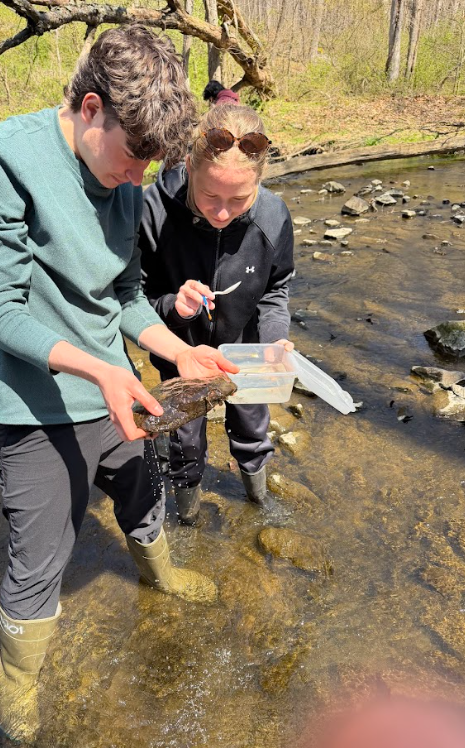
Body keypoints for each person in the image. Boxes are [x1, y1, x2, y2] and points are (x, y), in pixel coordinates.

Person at [0, 25, 237, 743]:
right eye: (135, 158)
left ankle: (159, 572)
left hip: (116, 388)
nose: (139, 179)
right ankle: (15, 686)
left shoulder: (125, 183)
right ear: (91, 106)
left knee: (142, 490)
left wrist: (177, 351)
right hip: (37, 405)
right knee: (39, 562)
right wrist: (99, 368)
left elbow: (127, 294)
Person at [139, 104, 294, 526]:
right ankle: (187, 519)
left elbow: (276, 290)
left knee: (252, 429)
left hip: (244, 352)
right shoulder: (151, 210)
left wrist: (275, 339)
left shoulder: (273, 216)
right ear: (189, 166)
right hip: (179, 353)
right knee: (184, 443)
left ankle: (258, 502)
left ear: (259, 182)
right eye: (210, 196)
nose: (222, 212)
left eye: (239, 200)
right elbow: (132, 299)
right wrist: (174, 305)